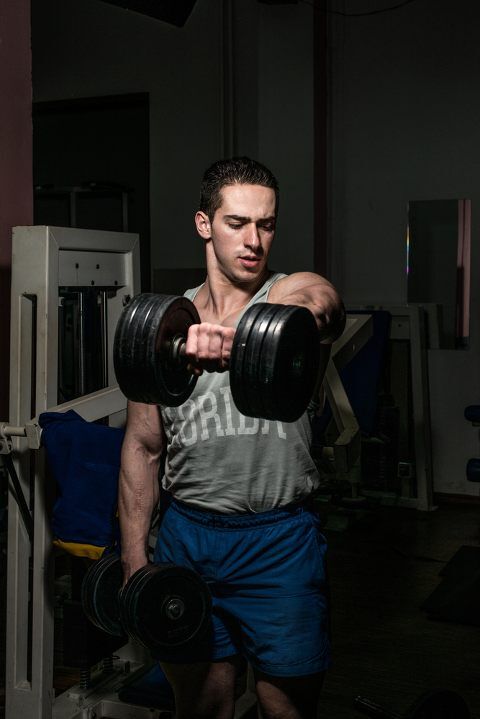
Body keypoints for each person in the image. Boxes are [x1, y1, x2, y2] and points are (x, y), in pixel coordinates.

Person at [118, 157, 345, 719]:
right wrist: (133, 564)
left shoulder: (288, 295)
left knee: (285, 709)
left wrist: (241, 336)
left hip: (278, 543)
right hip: (189, 538)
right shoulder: (165, 329)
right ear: (203, 224)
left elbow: (321, 303)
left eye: (266, 225)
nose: (254, 241)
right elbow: (143, 449)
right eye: (237, 223)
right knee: (202, 706)